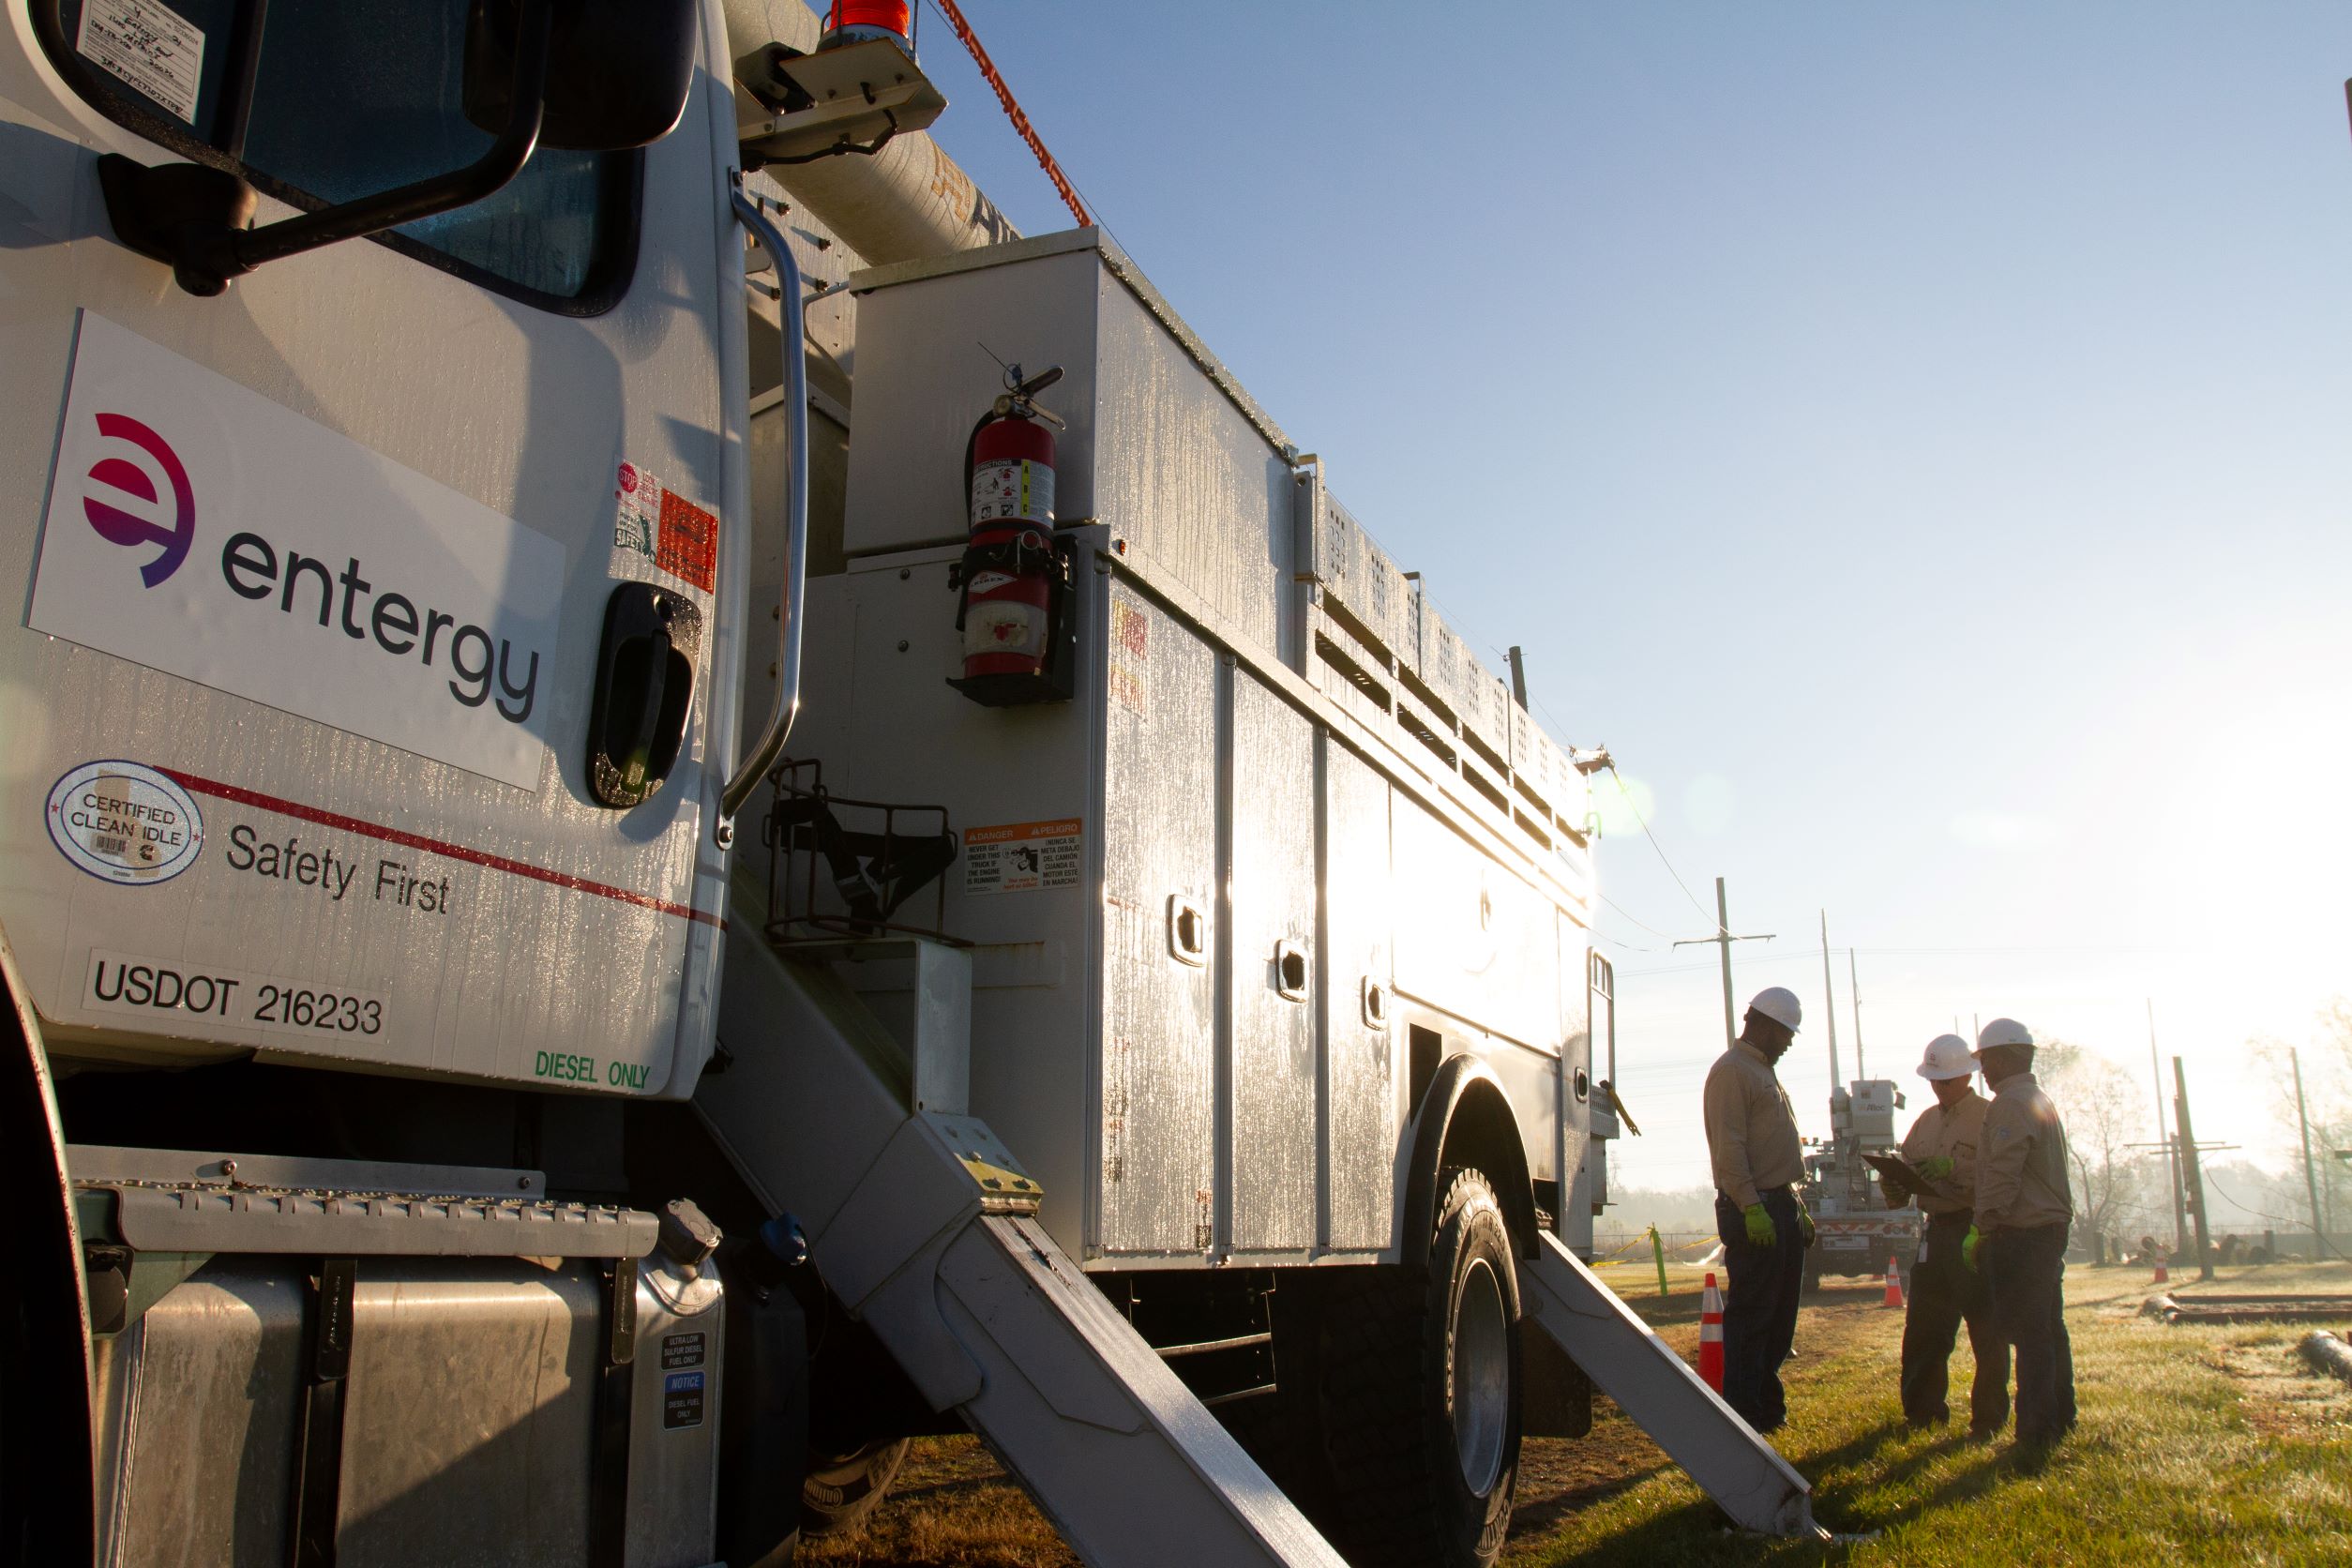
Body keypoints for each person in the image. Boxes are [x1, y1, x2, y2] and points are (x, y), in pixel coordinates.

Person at [1883, 1033, 2008, 1437]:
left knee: (1987, 1331)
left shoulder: (1989, 1116)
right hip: (1935, 1234)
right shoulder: (1925, 1121)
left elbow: (1998, 1178)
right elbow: (1906, 1168)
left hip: (1974, 1230)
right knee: (1924, 1329)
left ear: (1966, 1077)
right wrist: (1896, 1183)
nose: (1939, 1088)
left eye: (1946, 1080)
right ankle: (1922, 1412)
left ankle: (1988, 1419)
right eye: (1934, 1081)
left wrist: (1952, 1169)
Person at [1703, 986, 1815, 1434]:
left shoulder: (1759, 1069)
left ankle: (1767, 1409)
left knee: (1779, 1316)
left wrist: (1795, 1203)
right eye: (1786, 1032)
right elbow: (1729, 1149)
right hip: (1755, 1208)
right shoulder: (1733, 1072)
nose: (1789, 1041)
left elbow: (1770, 1150)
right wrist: (1751, 1205)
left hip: (1777, 1203)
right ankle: (1745, 1414)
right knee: (1754, 1315)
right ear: (1762, 1025)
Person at [1965, 1018, 2077, 1448]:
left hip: (2025, 1235)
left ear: (2008, 1057)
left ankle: (2035, 1428)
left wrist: (1982, 1226)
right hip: (2046, 1232)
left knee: (2029, 1335)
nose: (1984, 1071)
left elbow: (2002, 1173)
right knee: (2049, 1329)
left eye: (1987, 1061)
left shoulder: (2010, 1104)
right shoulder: (2036, 1097)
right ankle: (2059, 1416)